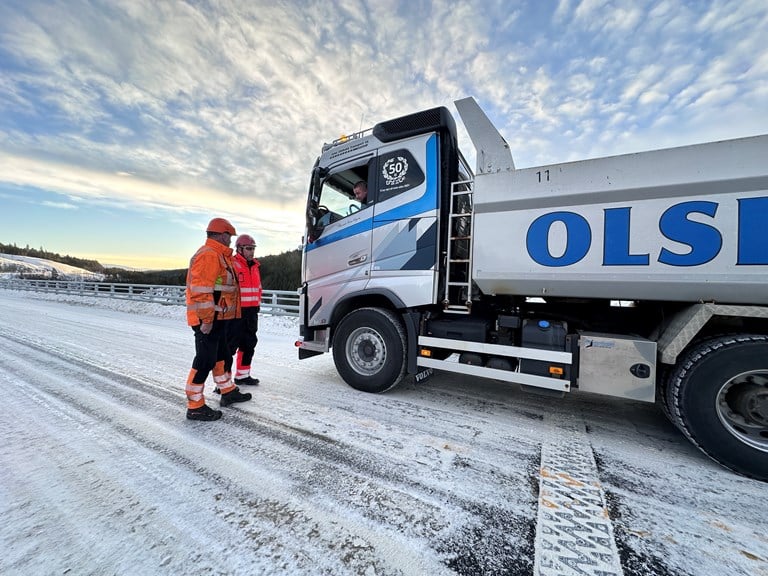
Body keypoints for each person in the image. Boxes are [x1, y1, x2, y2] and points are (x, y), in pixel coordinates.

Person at [184, 217, 252, 421]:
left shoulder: (219, 255)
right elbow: (201, 291)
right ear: (222, 235)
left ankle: (227, 391)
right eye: (229, 236)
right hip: (208, 319)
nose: (230, 241)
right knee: (205, 360)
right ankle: (195, 405)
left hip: (218, 318)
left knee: (222, 355)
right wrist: (206, 320)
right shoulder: (209, 255)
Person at [229, 234, 262, 386]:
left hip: (251, 312)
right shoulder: (232, 264)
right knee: (229, 348)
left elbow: (258, 288)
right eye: (249, 248)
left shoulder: (255, 266)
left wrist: (257, 304)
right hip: (235, 313)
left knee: (248, 344)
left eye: (253, 249)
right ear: (240, 249)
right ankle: (223, 383)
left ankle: (242, 376)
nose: (251, 252)